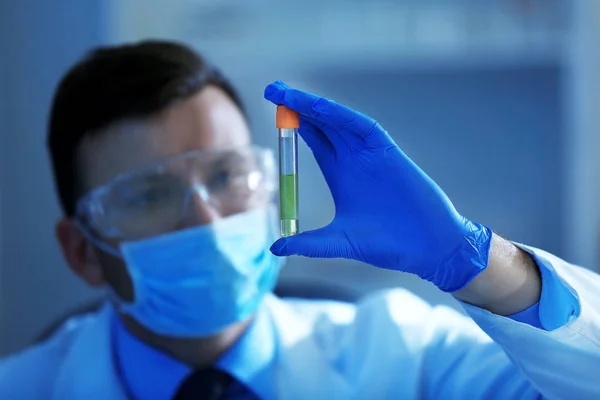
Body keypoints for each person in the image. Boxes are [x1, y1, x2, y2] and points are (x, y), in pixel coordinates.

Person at [0, 40, 598, 400]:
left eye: (227, 175)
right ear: (81, 251)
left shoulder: (403, 356)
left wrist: (478, 263)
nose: (207, 219)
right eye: (152, 195)